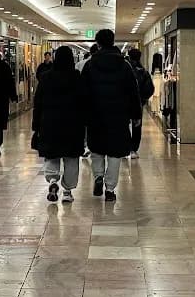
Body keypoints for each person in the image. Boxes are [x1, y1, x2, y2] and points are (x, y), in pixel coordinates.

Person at [81, 29, 142, 201]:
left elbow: (83, 92)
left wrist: (83, 115)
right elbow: (133, 92)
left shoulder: (90, 65)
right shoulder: (125, 66)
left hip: (95, 115)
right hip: (118, 116)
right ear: (113, 41)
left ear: (98, 44)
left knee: (97, 149)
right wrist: (136, 115)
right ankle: (109, 189)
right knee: (115, 153)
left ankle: (98, 176)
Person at [32, 46, 86, 203]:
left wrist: (36, 125)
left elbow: (38, 104)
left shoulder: (45, 78)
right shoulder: (78, 78)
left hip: (49, 123)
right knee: (71, 158)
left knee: (52, 155)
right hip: (73, 125)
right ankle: (68, 191)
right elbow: (84, 103)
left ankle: (53, 180)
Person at [127, 48, 154, 159]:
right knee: (137, 125)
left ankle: (126, 147)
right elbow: (150, 89)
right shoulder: (143, 72)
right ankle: (133, 149)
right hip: (138, 103)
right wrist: (142, 100)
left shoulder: (125, 70)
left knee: (124, 125)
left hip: (125, 102)